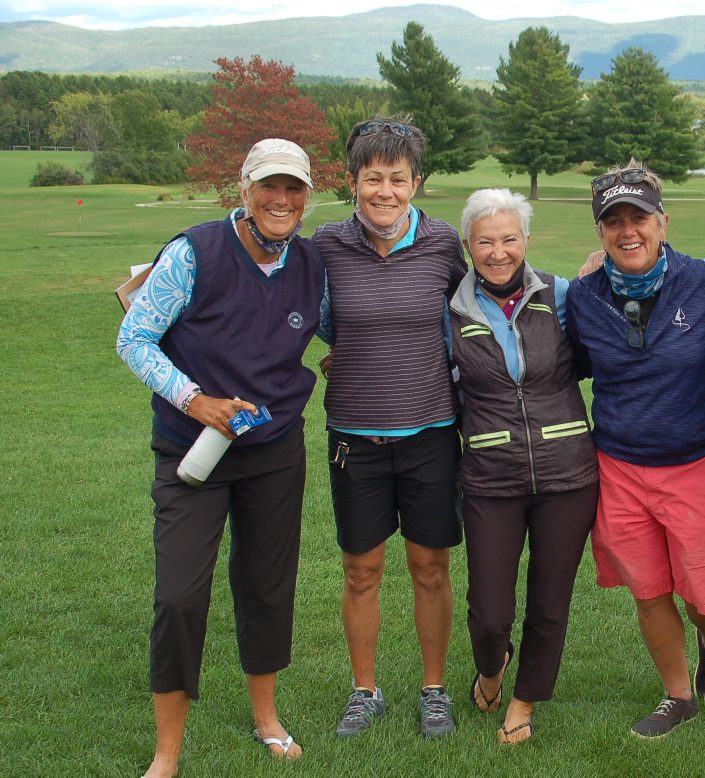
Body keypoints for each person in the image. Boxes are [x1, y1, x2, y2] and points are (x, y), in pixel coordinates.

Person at [116, 138, 324, 777]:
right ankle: (166, 752)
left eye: (294, 189)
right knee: (180, 596)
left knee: (266, 588)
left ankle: (265, 717)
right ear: (245, 190)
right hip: (190, 456)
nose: (282, 200)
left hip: (274, 453)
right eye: (270, 187)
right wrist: (194, 399)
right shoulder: (193, 253)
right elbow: (135, 337)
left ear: (309, 198)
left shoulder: (312, 264)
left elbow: (341, 329)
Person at [565, 160, 705, 739]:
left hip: (693, 464)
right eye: (614, 221)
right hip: (618, 466)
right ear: (601, 232)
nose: (627, 230)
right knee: (649, 588)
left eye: (639, 217)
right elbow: (568, 368)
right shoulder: (584, 297)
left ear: (663, 222)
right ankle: (677, 694)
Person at [313, 117, 466, 740]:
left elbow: (472, 314)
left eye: (397, 179)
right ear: (352, 180)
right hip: (355, 436)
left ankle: (434, 691)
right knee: (361, 571)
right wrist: (346, 349)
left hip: (430, 433)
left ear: (416, 183)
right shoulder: (324, 245)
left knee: (430, 567)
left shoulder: (442, 242)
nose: (384, 191)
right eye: (372, 177)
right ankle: (365, 691)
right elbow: (307, 314)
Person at [449, 188, 599, 744]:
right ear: (468, 245)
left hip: (569, 478)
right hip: (491, 479)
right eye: (485, 241)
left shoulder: (561, 296)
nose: (498, 251)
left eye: (509, 239)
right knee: (489, 611)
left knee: (549, 603)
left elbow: (593, 355)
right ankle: (492, 665)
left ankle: (523, 700)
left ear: (526, 241)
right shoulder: (453, 310)